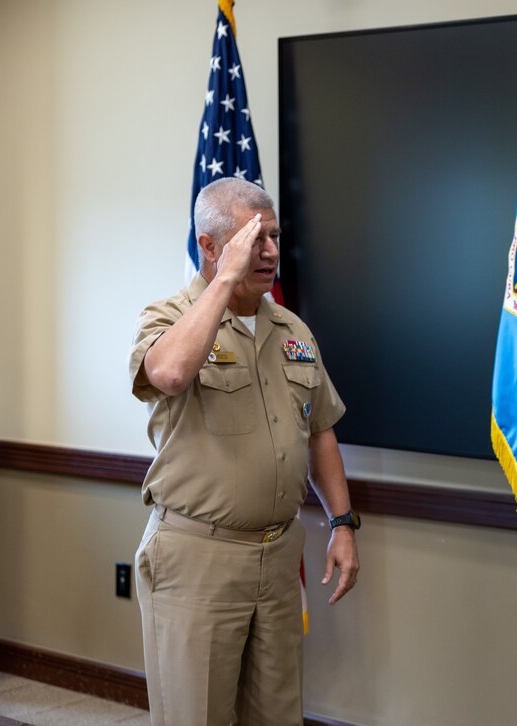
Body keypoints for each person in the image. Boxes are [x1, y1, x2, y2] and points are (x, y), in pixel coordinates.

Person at [128, 177, 360, 726]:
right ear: (209, 247)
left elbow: (321, 429)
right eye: (255, 238)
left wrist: (343, 524)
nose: (273, 251)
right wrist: (224, 280)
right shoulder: (167, 318)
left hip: (277, 558)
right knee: (196, 716)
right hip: (197, 559)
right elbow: (171, 371)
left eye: (275, 236)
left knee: (277, 716)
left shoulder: (291, 327)